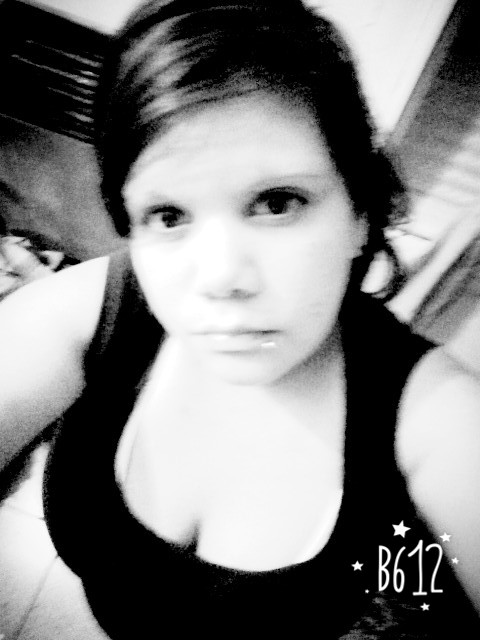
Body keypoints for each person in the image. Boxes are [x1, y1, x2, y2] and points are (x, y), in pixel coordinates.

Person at [1, 0, 479, 637]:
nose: (221, 275)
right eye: (168, 216)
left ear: (360, 215)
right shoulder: (93, 314)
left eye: (278, 202)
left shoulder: (436, 425)